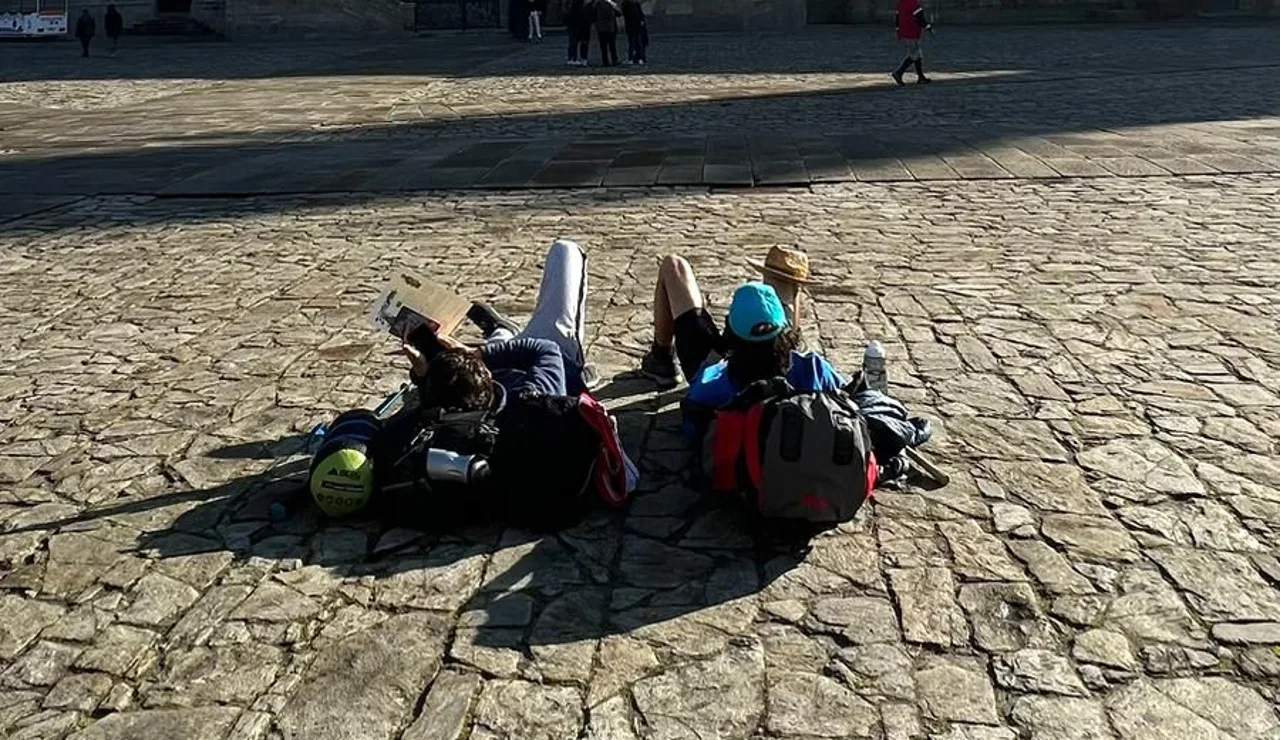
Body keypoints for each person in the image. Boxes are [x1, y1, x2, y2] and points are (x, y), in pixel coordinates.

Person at [681, 283, 844, 442]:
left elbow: (692, 432)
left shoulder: (712, 386)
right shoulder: (814, 369)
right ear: (786, 331)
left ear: (731, 334)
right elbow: (855, 397)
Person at [641, 245, 813, 389]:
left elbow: (721, 359)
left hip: (719, 376)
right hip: (756, 379)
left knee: (675, 266)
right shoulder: (801, 352)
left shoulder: (752, 306)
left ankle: (661, 357)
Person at [892, 0, 932, 86]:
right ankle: (898, 73)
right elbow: (920, 18)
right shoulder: (913, 4)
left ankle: (921, 77)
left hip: (904, 33)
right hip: (912, 32)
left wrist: (898, 31)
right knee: (915, 54)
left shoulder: (901, 3)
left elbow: (897, 18)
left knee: (918, 54)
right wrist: (928, 27)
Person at [595, 0, 620, 67]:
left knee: (603, 47)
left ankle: (605, 61)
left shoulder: (598, 4)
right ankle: (614, 60)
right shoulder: (611, 4)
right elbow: (619, 13)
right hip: (610, 28)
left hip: (601, 28)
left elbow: (593, 15)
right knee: (612, 46)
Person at [621, 0, 646, 65]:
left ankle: (636, 58)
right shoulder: (628, 4)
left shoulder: (632, 4)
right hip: (633, 26)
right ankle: (635, 58)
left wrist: (641, 20)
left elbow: (640, 14)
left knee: (635, 43)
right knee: (634, 43)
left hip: (634, 26)